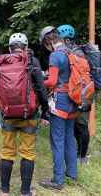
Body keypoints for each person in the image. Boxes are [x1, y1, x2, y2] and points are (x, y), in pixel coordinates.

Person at [0, 33, 49, 196]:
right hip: (28, 115)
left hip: (7, 114)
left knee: (7, 151)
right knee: (27, 152)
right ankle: (25, 192)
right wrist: (45, 111)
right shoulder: (32, 61)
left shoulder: (2, 62)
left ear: (10, 47)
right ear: (26, 46)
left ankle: (4, 191)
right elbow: (41, 89)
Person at [38, 26, 78, 191]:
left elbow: (52, 82)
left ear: (48, 41)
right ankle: (72, 174)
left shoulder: (55, 55)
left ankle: (57, 180)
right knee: (69, 137)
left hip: (60, 100)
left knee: (57, 140)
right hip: (73, 99)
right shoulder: (70, 52)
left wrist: (39, 80)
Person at [57, 24, 90, 164]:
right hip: (83, 92)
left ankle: (82, 156)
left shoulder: (73, 53)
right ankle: (79, 155)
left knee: (80, 125)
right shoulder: (79, 51)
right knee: (79, 125)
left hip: (79, 93)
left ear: (63, 38)